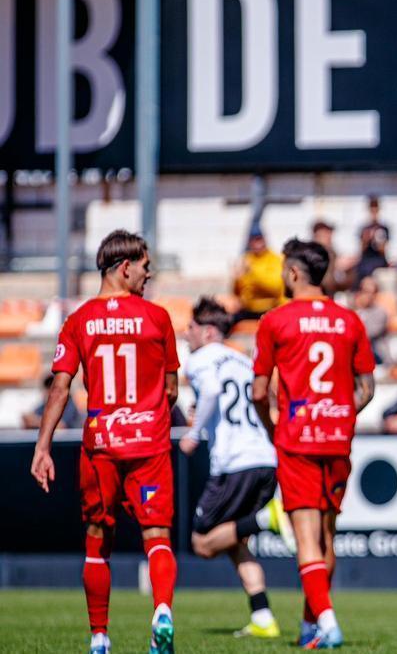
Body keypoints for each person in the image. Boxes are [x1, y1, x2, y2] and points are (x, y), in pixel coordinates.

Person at [30, 230, 180, 654]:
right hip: (148, 444)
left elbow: (61, 388)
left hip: (102, 445)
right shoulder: (157, 318)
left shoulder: (79, 320)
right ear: (125, 267)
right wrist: (147, 411)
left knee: (98, 539)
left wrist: (43, 446)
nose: (149, 275)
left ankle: (99, 637)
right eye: (146, 267)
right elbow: (171, 390)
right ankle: (162, 611)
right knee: (157, 535)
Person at [251, 239, 376, 649]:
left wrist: (273, 430)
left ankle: (327, 622)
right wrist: (340, 414)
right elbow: (367, 389)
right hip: (337, 439)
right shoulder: (350, 320)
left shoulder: (275, 320)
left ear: (293, 273)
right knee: (326, 538)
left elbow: (258, 392)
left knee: (305, 539)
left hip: (298, 439)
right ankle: (311, 627)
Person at [179, 297, 293, 639]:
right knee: (233, 539)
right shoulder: (243, 360)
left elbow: (213, 390)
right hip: (265, 458)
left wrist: (194, 432)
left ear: (208, 332)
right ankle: (262, 616)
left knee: (202, 542)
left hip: (235, 462)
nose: (186, 333)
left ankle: (267, 519)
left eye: (191, 327)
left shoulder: (201, 358)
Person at [232, 224, 285, 322]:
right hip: (248, 310)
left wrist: (252, 273)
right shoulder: (246, 259)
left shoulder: (275, 259)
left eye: (259, 239)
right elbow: (238, 292)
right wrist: (237, 279)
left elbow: (275, 286)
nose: (256, 243)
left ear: (264, 240)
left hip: (270, 309)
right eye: (253, 240)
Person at [355, 195, 391, 286]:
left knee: (368, 268)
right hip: (366, 259)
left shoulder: (383, 228)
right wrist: (366, 239)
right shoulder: (364, 228)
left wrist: (377, 240)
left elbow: (383, 251)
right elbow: (361, 250)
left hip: (378, 259)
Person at [353, 275, 389, 364]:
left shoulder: (380, 312)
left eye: (373, 292)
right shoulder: (351, 310)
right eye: (366, 291)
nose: (369, 296)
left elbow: (369, 334)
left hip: (375, 353)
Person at [311, 220, 349, 296]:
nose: (330, 236)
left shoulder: (332, 253)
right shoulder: (311, 255)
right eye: (326, 233)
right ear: (317, 235)